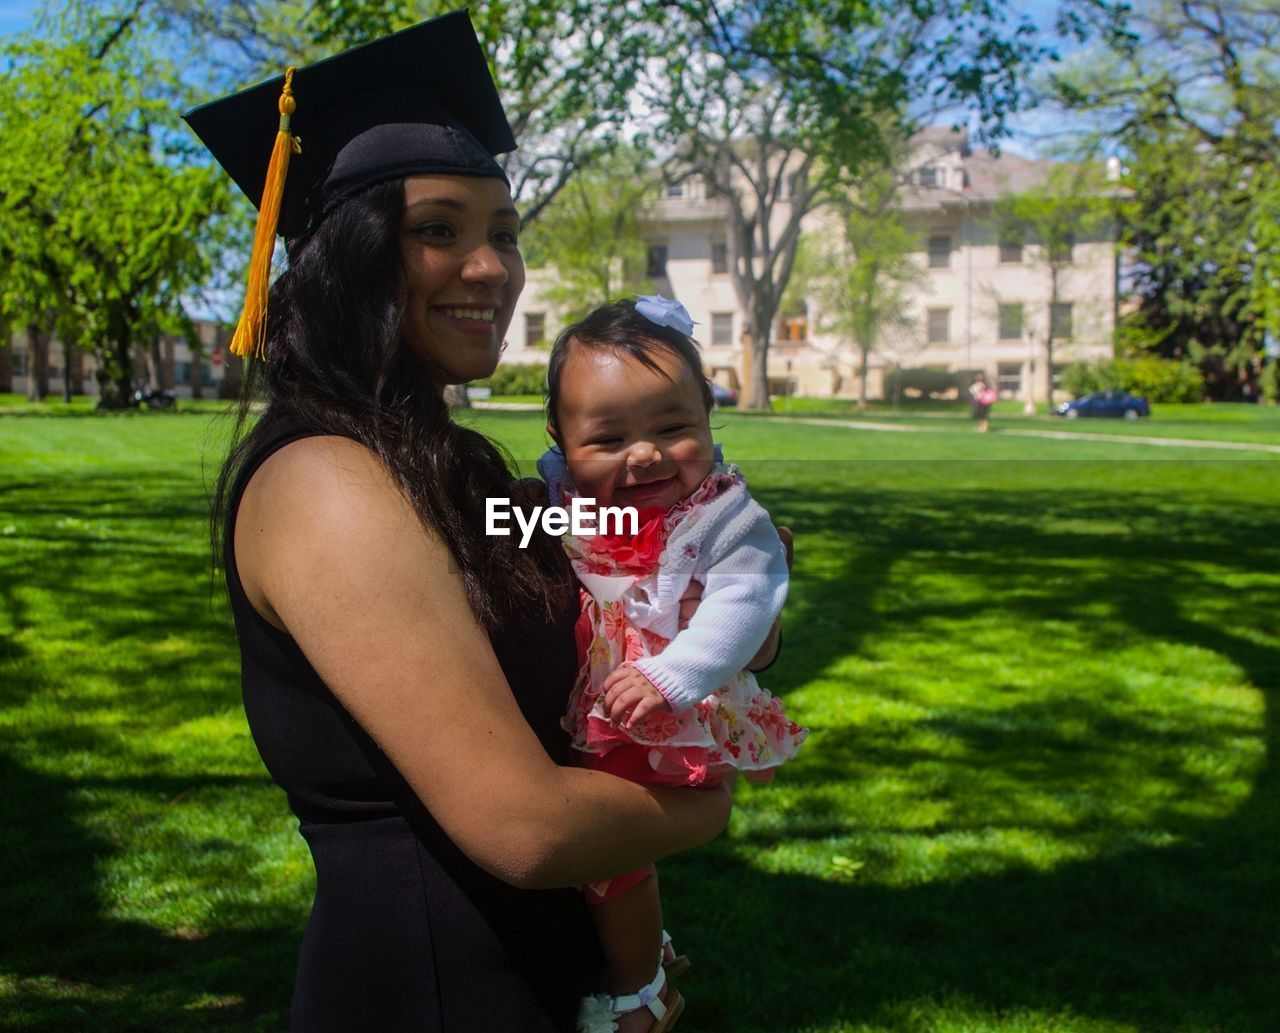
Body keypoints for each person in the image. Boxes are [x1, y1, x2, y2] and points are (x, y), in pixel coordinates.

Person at [187, 14, 733, 1031]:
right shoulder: (327, 483)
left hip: (535, 974)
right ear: (348, 253)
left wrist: (717, 565)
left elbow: (619, 596)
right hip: (428, 990)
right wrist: (711, 795)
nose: (491, 268)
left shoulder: (454, 468)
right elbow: (524, 824)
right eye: (438, 229)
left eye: (503, 232)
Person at [537, 298, 808, 1033]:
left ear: (708, 423)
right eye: (610, 437)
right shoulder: (572, 503)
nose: (647, 454)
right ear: (562, 444)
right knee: (603, 863)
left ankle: (640, 995)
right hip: (608, 703)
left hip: (665, 712)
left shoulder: (725, 518)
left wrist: (672, 675)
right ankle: (642, 957)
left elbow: (746, 605)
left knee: (604, 851)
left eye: (673, 428)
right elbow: (525, 527)